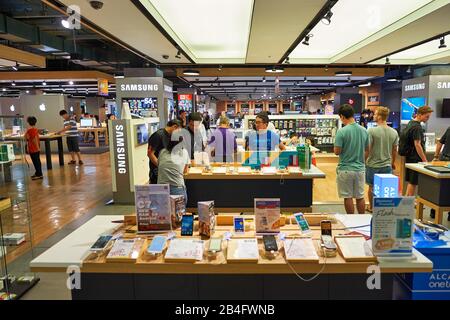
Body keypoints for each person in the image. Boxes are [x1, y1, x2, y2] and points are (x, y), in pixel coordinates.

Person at [334, 104, 369, 214]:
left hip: (345, 168)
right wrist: (361, 160)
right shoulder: (364, 130)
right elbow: (368, 149)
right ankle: (362, 219)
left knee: (348, 197)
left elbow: (337, 151)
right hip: (360, 169)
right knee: (360, 197)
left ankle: (351, 220)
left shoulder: (342, 131)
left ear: (342, 116)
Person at [365, 107, 399, 212]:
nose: (373, 116)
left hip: (373, 165)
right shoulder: (394, 132)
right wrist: (392, 162)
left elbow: (368, 149)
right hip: (387, 165)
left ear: (379, 116)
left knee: (371, 187)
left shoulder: (371, 131)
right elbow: (394, 150)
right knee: (385, 188)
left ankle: (371, 207)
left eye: (375, 114)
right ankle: (383, 208)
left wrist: (364, 161)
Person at [403, 106, 433, 196]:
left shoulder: (410, 123)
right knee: (413, 182)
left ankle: (407, 201)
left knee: (411, 181)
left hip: (410, 156)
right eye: (427, 116)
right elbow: (417, 144)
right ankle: (409, 203)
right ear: (419, 115)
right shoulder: (417, 128)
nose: (427, 119)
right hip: (415, 158)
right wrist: (424, 160)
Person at [157, 137, 191, 205]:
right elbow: (185, 171)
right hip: (177, 188)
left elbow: (159, 165)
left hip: (161, 189)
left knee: (162, 214)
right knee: (178, 214)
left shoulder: (162, 152)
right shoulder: (184, 152)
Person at [147, 119, 181, 184]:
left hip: (166, 171)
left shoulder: (170, 136)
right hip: (157, 171)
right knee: (157, 191)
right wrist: (161, 166)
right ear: (174, 127)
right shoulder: (158, 135)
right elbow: (150, 154)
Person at [431, 126, 450, 221]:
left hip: (444, 159)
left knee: (439, 185)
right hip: (446, 160)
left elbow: (440, 142)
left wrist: (436, 156)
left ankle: (433, 211)